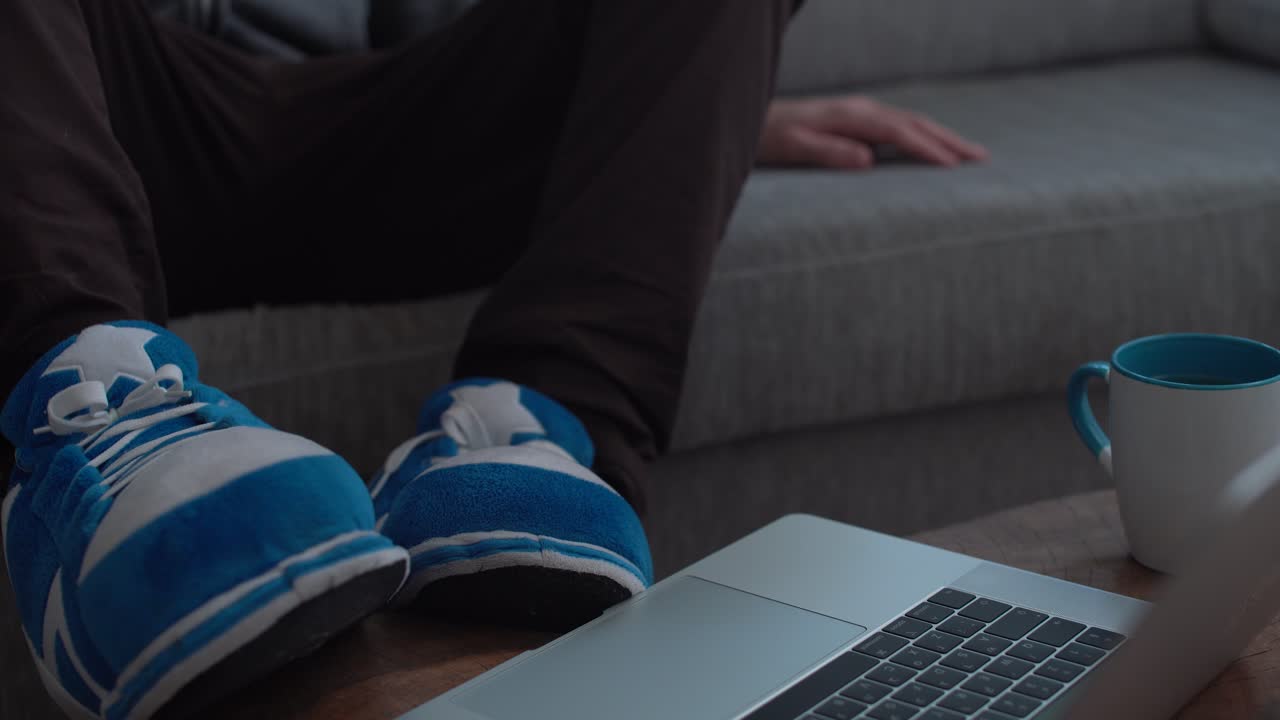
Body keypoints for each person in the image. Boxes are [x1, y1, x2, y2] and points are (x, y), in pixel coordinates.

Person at [0, 1, 986, 717]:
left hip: (408, 119)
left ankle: (531, 430)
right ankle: (95, 419)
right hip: (102, 110)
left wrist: (689, 108)